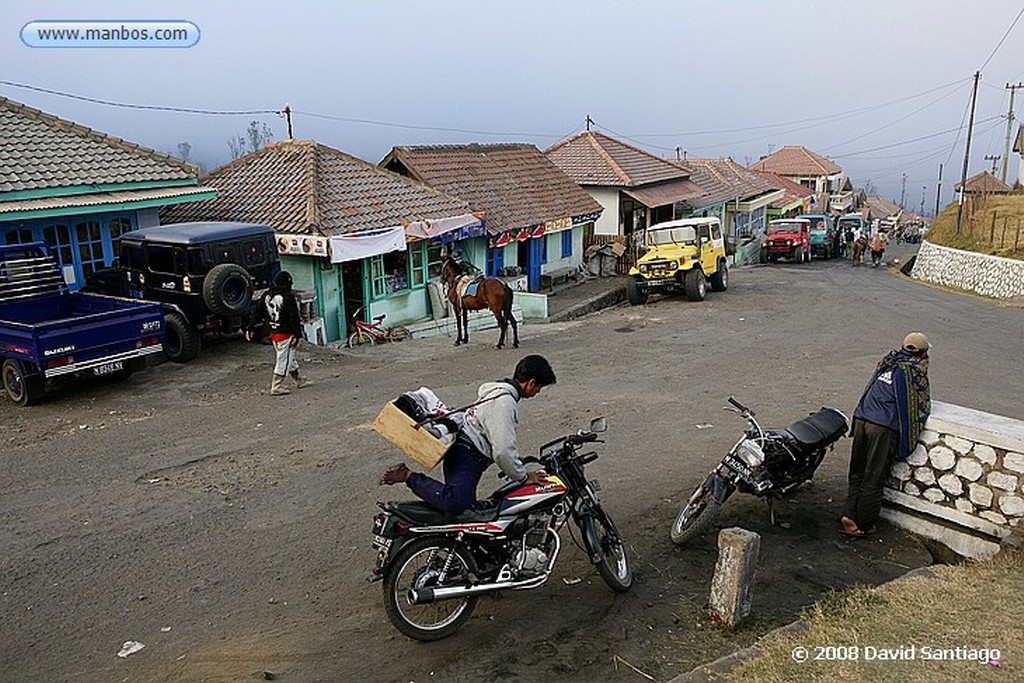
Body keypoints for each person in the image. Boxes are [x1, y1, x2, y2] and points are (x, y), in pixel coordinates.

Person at [379, 354, 557, 514]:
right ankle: (408, 476)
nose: (537, 392)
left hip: (461, 446)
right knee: (456, 503)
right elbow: (502, 451)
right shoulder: (504, 403)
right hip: (469, 453)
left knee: (467, 518)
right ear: (531, 383)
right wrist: (523, 477)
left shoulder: (496, 391)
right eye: (538, 387)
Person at [841, 333, 931, 537]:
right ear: (922, 353)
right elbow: (920, 406)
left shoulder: (888, 361)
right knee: (874, 476)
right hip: (882, 426)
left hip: (863, 418)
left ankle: (848, 514)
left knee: (857, 472)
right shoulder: (913, 371)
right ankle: (864, 524)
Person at [248, 270, 308, 396]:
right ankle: (276, 386)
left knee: (288, 358)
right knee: (283, 359)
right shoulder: (288, 297)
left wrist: (250, 328)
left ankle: (298, 380)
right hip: (286, 334)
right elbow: (294, 317)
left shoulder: (266, 296)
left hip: (273, 333)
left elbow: (257, 312)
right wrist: (297, 335)